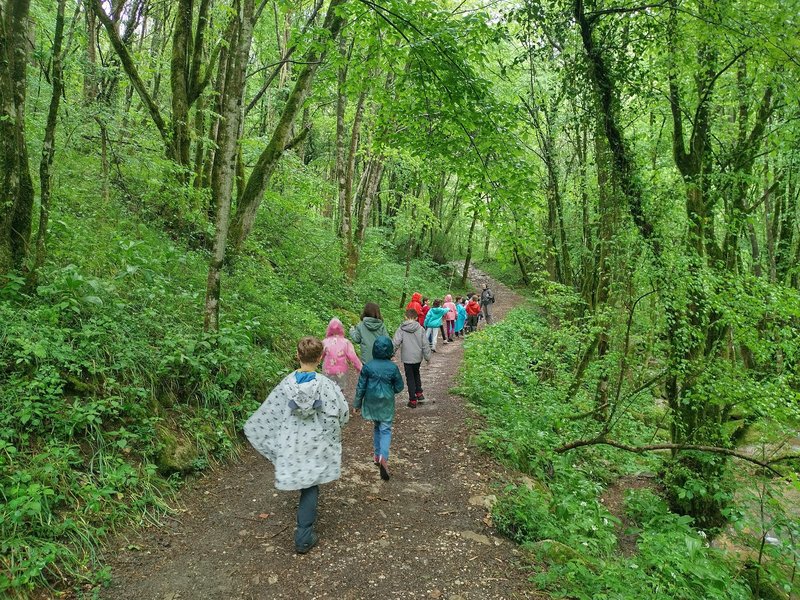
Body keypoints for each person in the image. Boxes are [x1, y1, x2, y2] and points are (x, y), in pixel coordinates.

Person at [243, 337, 349, 554]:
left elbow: (271, 412)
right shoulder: (326, 385)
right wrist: (334, 433)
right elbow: (341, 412)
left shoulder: (286, 385)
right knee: (311, 486)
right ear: (320, 358)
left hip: (293, 443)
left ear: (297, 355)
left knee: (306, 483)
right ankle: (303, 535)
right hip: (316, 443)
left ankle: (304, 532)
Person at [353, 336, 404, 481]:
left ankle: (376, 455)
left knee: (376, 426)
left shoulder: (368, 367)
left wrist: (357, 404)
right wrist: (391, 390)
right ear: (390, 351)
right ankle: (384, 457)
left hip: (371, 401)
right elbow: (400, 386)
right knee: (385, 429)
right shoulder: (392, 367)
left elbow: (361, 386)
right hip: (386, 401)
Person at [393, 308, 431, 408]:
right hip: (417, 357)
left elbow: (396, 342)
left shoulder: (401, 328)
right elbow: (425, 344)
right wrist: (427, 357)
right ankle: (419, 393)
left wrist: (390, 353)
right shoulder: (421, 328)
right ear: (416, 318)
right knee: (416, 373)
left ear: (405, 317)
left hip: (407, 357)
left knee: (409, 377)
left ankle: (412, 399)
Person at [321, 318, 362, 392]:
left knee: (328, 389)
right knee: (340, 390)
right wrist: (359, 367)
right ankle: (339, 402)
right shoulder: (346, 342)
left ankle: (329, 402)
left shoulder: (325, 342)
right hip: (341, 371)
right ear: (341, 329)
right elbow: (353, 357)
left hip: (327, 370)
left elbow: (319, 356)